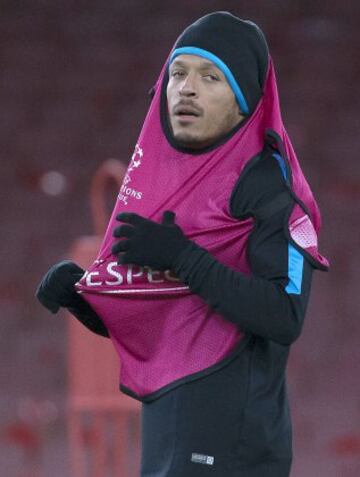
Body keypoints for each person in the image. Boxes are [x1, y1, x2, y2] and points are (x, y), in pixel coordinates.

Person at [36, 12, 329, 477]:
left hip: (237, 453)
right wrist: (84, 301)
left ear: (244, 101)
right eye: (177, 73)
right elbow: (167, 325)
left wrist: (183, 257)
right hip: (166, 447)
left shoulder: (274, 192)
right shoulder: (166, 186)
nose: (186, 89)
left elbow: (284, 314)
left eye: (210, 76)